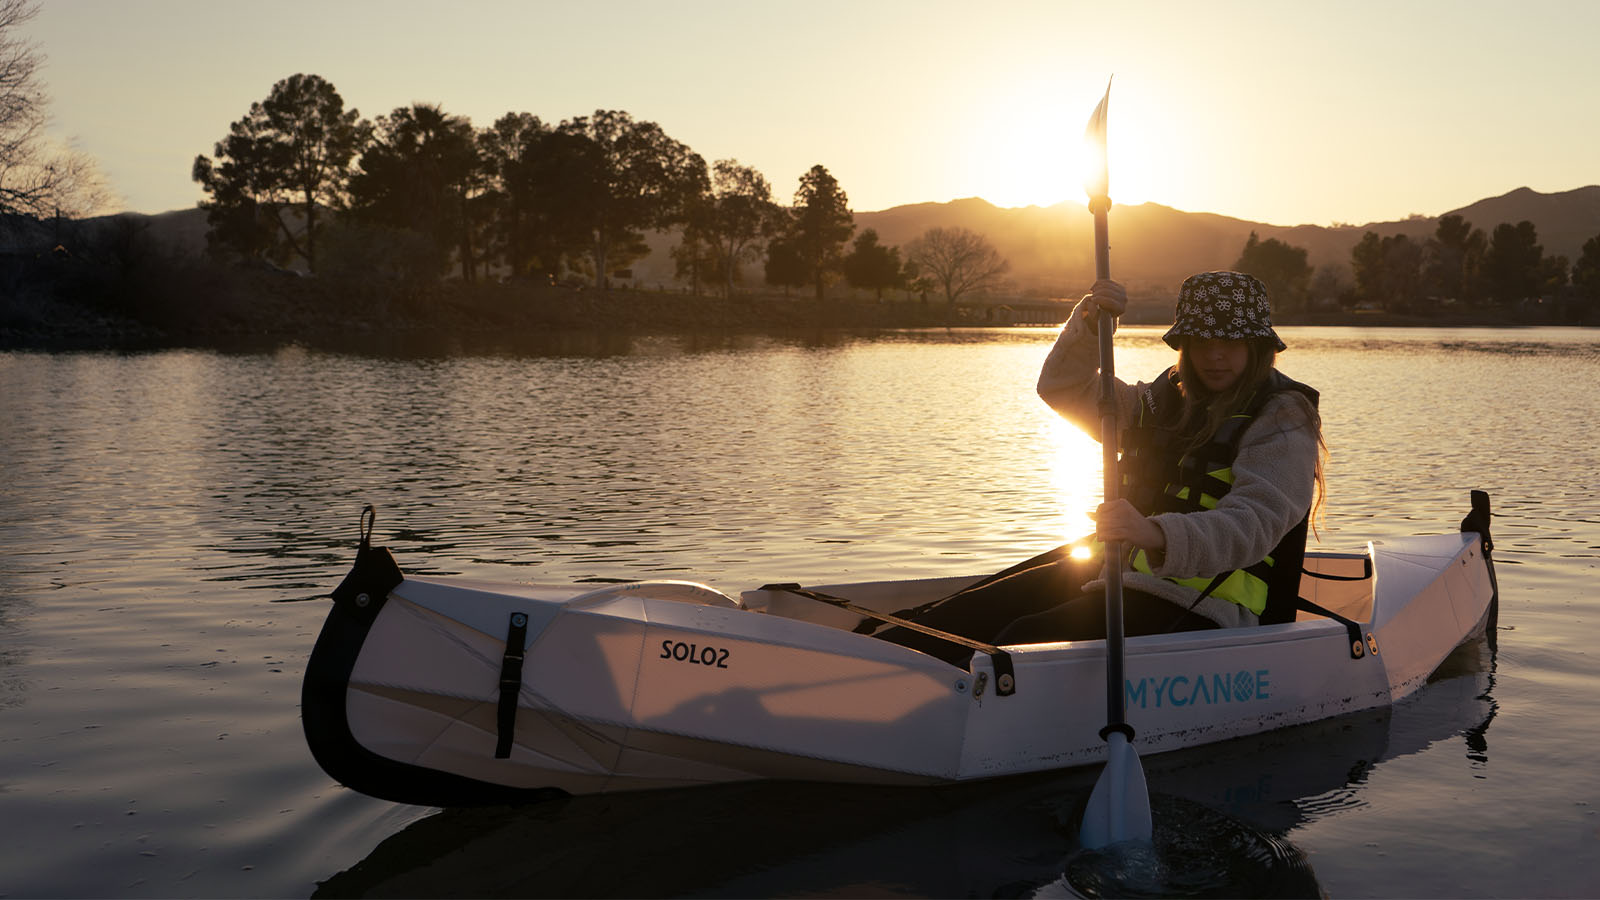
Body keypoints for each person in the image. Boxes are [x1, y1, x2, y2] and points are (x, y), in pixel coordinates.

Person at [876, 271, 1325, 664]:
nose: (1215, 355)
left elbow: (1255, 523)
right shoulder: (1159, 401)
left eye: (1230, 341)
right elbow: (1063, 387)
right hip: (1111, 576)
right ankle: (869, 674)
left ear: (1258, 346)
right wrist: (1093, 325)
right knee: (954, 620)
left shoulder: (1283, 419)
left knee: (1015, 645)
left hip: (1205, 609)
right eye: (1201, 341)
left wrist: (1155, 534)